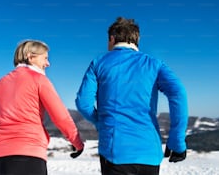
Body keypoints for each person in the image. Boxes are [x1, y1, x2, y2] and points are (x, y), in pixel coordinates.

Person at [0, 39, 84, 175]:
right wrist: (77, 143)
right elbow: (60, 116)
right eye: (45, 58)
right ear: (30, 57)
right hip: (28, 157)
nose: (48, 63)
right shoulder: (39, 80)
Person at [75, 17, 188, 175]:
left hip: (115, 153)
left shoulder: (99, 63)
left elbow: (83, 103)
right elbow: (178, 93)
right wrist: (177, 141)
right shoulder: (154, 64)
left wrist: (100, 121)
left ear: (112, 39)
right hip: (149, 154)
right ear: (137, 39)